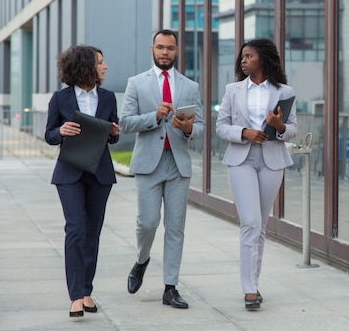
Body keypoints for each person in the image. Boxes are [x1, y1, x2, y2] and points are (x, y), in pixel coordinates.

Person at [119, 29, 205, 309]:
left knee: (175, 228)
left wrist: (190, 128)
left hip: (177, 163)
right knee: (147, 223)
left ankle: (170, 287)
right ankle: (142, 260)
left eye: (170, 48)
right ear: (152, 49)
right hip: (148, 163)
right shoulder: (136, 83)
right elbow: (125, 122)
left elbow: (201, 127)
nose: (165, 52)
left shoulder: (190, 86)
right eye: (160, 47)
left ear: (177, 51)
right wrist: (154, 117)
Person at [215, 38, 298, 309]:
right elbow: (221, 126)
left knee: (260, 226)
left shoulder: (284, 91)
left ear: (262, 58)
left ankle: (254, 282)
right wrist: (243, 133)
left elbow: (293, 130)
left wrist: (279, 125)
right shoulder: (233, 89)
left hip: (272, 160)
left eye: (248, 56)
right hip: (242, 159)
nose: (243, 60)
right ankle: (249, 290)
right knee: (249, 221)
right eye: (242, 57)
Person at [45, 45, 120, 317]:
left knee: (92, 233)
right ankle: (76, 296)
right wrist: (61, 131)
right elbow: (49, 134)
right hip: (70, 173)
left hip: (100, 173)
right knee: (75, 229)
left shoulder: (109, 97)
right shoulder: (60, 98)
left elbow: (114, 135)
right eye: (100, 62)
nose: (105, 66)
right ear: (86, 66)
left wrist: (113, 132)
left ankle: (87, 290)